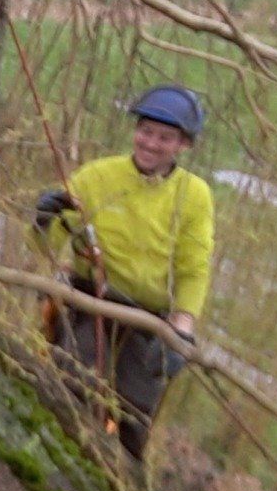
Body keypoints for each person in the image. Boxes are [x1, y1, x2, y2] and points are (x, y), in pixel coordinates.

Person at [35, 84, 215, 460]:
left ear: (183, 145)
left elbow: (193, 269)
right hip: (88, 303)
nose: (150, 143)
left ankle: (120, 489)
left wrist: (182, 331)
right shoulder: (97, 176)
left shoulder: (194, 195)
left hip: (148, 322)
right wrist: (42, 220)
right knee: (68, 388)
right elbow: (46, 247)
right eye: (145, 131)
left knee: (133, 417)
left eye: (165, 137)